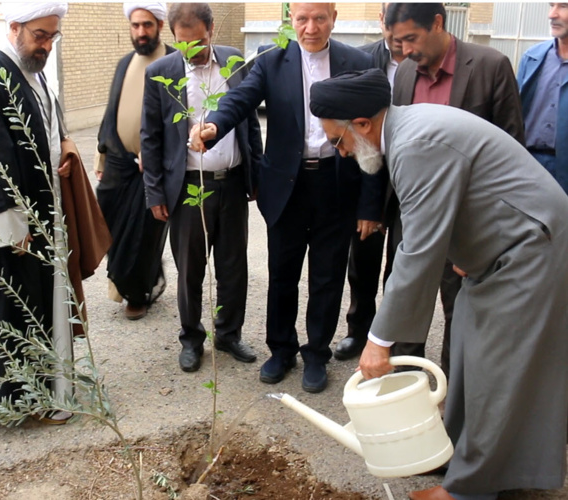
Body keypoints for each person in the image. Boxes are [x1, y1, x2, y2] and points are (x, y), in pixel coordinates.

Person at [310, 67, 568, 500]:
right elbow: (459, 203)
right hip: (506, 247)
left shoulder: (416, 144)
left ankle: (471, 490)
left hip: (530, 249)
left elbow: (417, 250)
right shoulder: (409, 130)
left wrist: (380, 339)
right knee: (468, 348)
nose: (341, 152)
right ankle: (466, 457)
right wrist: (472, 249)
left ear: (362, 124)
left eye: (338, 140)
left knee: (496, 369)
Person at [190, 3, 382, 393]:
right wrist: (213, 124)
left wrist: (370, 204)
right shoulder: (271, 61)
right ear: (290, 20)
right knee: (282, 274)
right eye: (302, 19)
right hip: (286, 188)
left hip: (338, 183)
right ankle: (280, 349)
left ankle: (316, 354)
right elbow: (240, 99)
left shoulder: (357, 62)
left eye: (320, 18)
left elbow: (374, 141)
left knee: (327, 277)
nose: (311, 28)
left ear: (334, 17)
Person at [0, 2, 80, 421]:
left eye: (52, 37)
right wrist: (11, 225)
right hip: (10, 225)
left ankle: (55, 390)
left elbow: (46, 125)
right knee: (18, 306)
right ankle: (30, 400)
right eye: (40, 35)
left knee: (48, 302)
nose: (45, 44)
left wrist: (62, 149)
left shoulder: (33, 69)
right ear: (14, 28)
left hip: (42, 210)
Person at [384, 2, 524, 377]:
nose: (407, 51)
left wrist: (490, 237)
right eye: (399, 42)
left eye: (411, 38)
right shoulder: (405, 74)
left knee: (459, 311)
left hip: (469, 223)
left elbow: (512, 152)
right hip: (415, 214)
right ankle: (404, 384)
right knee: (406, 296)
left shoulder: (490, 66)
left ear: (438, 23)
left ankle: (455, 395)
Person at [142, 3, 262, 373]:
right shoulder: (160, 73)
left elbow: (249, 121)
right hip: (188, 190)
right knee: (190, 270)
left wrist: (255, 175)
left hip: (232, 185)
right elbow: (151, 137)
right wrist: (156, 193)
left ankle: (228, 334)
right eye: (182, 44)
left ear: (211, 30)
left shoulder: (234, 63)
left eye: (197, 42)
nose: (190, 51)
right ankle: (192, 339)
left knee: (233, 267)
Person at [335, 2, 406, 361]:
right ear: (381, 20)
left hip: (414, 178)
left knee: (401, 263)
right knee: (362, 262)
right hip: (370, 176)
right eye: (389, 26)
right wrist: (367, 205)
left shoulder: (423, 62)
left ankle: (394, 338)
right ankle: (359, 331)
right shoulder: (362, 61)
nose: (397, 39)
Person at [95, 2, 173, 321]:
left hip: (151, 167)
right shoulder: (124, 63)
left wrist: (155, 153)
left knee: (143, 235)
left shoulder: (172, 63)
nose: (141, 32)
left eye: (148, 25)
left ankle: (138, 293)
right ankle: (129, 281)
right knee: (110, 224)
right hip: (118, 163)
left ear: (160, 26)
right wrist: (102, 156)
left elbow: (180, 118)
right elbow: (111, 112)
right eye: (136, 25)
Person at [517, 2, 567, 195]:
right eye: (551, 5)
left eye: (563, 6)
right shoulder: (532, 58)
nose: (551, 14)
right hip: (528, 166)